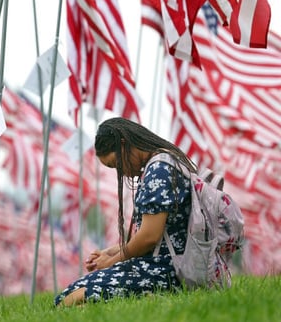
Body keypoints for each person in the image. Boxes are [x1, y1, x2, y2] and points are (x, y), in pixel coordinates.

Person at [54, 116, 196, 307]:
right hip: (164, 264)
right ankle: (140, 299)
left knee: (70, 300)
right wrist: (109, 253)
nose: (120, 173)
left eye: (115, 164)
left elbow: (149, 237)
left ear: (124, 145)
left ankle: (146, 299)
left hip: (168, 270)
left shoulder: (159, 170)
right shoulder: (162, 162)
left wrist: (112, 262)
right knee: (68, 297)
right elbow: (158, 236)